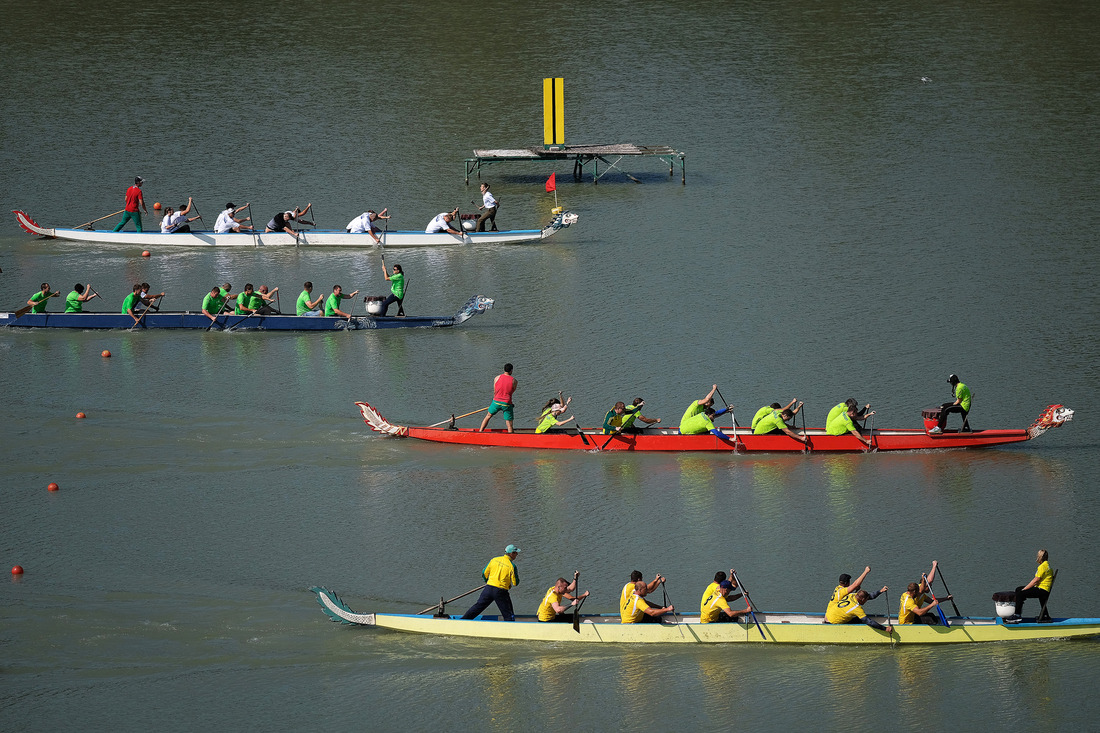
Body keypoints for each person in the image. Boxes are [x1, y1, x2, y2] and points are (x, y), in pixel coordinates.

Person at [461, 545, 521, 621]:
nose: (517, 555)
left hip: (488, 589)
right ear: (512, 554)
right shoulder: (512, 566)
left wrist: (488, 582)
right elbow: (515, 583)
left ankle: (463, 620)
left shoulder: (494, 560)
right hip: (501, 592)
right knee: (508, 614)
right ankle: (511, 628)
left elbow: (484, 573)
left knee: (478, 607)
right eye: (516, 553)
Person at [1008, 549, 1054, 622]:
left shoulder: (1042, 567)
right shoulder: (1047, 565)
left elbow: (1035, 581)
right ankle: (1045, 615)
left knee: (1020, 593)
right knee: (1018, 589)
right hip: (1043, 589)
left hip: (1042, 590)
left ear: (1040, 557)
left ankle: (1017, 615)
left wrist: (1025, 589)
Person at [825, 589, 892, 632]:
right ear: (862, 599)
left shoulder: (852, 595)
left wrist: (880, 591)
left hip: (828, 616)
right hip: (832, 623)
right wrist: (885, 629)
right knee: (863, 620)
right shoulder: (856, 608)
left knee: (859, 619)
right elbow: (869, 622)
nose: (866, 601)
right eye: (866, 600)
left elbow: (870, 596)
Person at [479, 363, 517, 433]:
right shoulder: (514, 381)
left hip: (496, 402)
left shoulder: (496, 378)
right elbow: (511, 392)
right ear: (511, 370)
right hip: (507, 404)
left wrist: (495, 401)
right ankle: (511, 438)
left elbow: (495, 391)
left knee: (488, 416)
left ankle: (480, 432)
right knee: (509, 424)